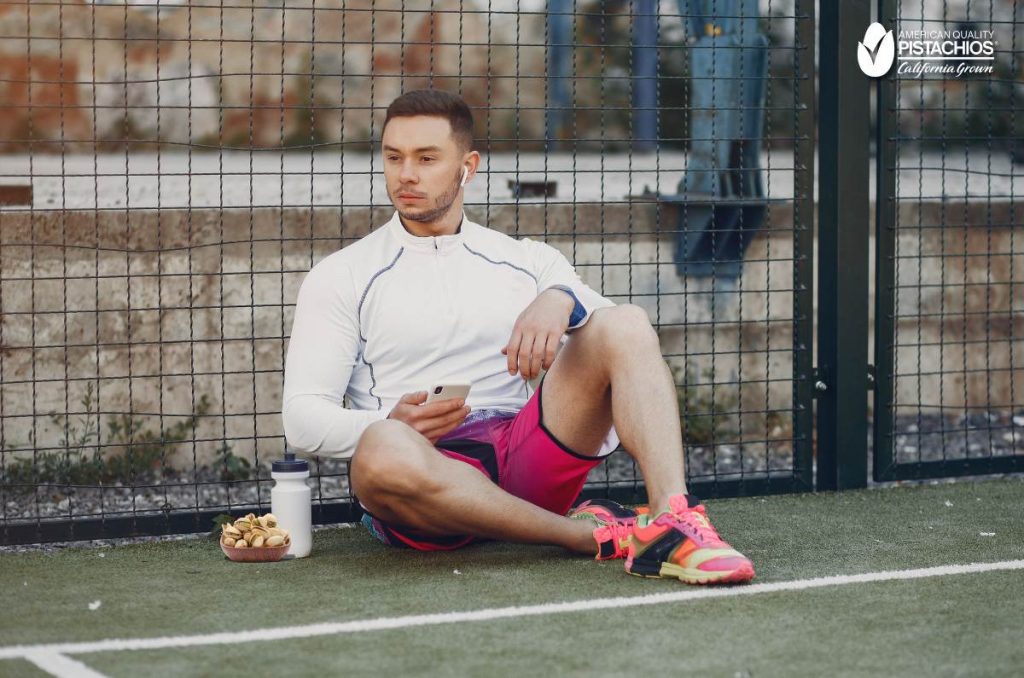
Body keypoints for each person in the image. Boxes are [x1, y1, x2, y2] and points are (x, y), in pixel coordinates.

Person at [282, 89, 754, 585]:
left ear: (469, 166)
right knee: (378, 451)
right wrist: (390, 421)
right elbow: (302, 419)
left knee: (626, 322)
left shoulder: (527, 260)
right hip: (424, 480)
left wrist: (560, 298)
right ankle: (580, 536)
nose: (406, 175)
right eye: (394, 157)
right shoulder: (343, 276)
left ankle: (672, 520)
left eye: (426, 158)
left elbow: (625, 344)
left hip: (522, 456)